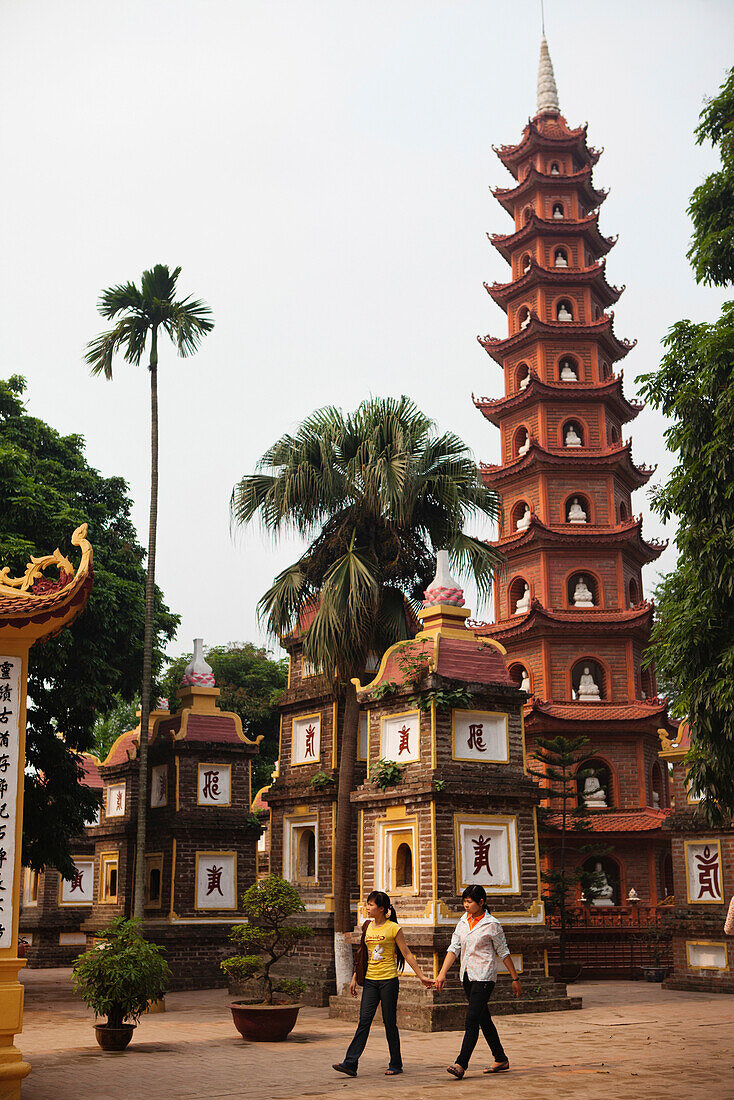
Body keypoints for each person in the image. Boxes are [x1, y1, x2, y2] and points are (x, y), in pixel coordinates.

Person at [332, 890, 433, 1078]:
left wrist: (421, 977)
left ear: (381, 909)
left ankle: (396, 1063)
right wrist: (355, 977)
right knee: (364, 1021)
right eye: (367, 904)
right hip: (370, 981)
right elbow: (363, 955)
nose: (367, 908)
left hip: (388, 981)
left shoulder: (393, 928)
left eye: (370, 905)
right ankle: (351, 1063)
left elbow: (407, 953)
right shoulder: (367, 926)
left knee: (389, 1023)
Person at [434, 884, 521, 1079]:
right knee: (483, 1019)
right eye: (464, 901)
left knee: (472, 1019)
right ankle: (500, 1058)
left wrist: (515, 978)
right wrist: (442, 974)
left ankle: (461, 1063)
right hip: (467, 976)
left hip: (484, 977)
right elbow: (453, 948)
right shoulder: (463, 921)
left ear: (481, 902)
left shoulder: (492, 924)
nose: (466, 905)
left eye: (469, 901)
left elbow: (503, 952)